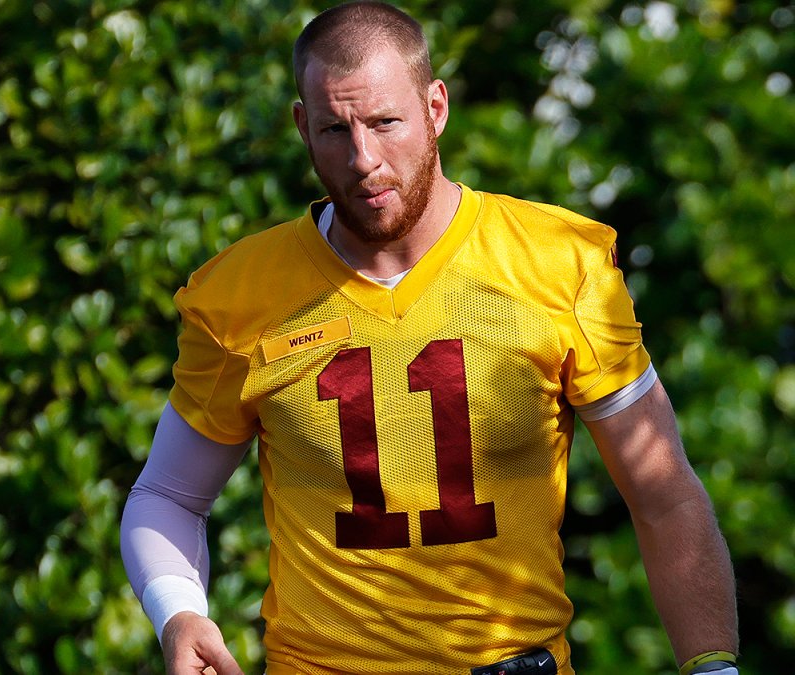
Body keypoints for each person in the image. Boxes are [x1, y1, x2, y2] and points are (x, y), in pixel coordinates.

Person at [119, 2, 740, 673]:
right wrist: (179, 610)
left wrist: (712, 665)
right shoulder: (239, 294)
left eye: (386, 122)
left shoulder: (561, 264)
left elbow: (664, 490)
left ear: (435, 108)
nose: (364, 158)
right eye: (335, 129)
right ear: (302, 126)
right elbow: (168, 495)